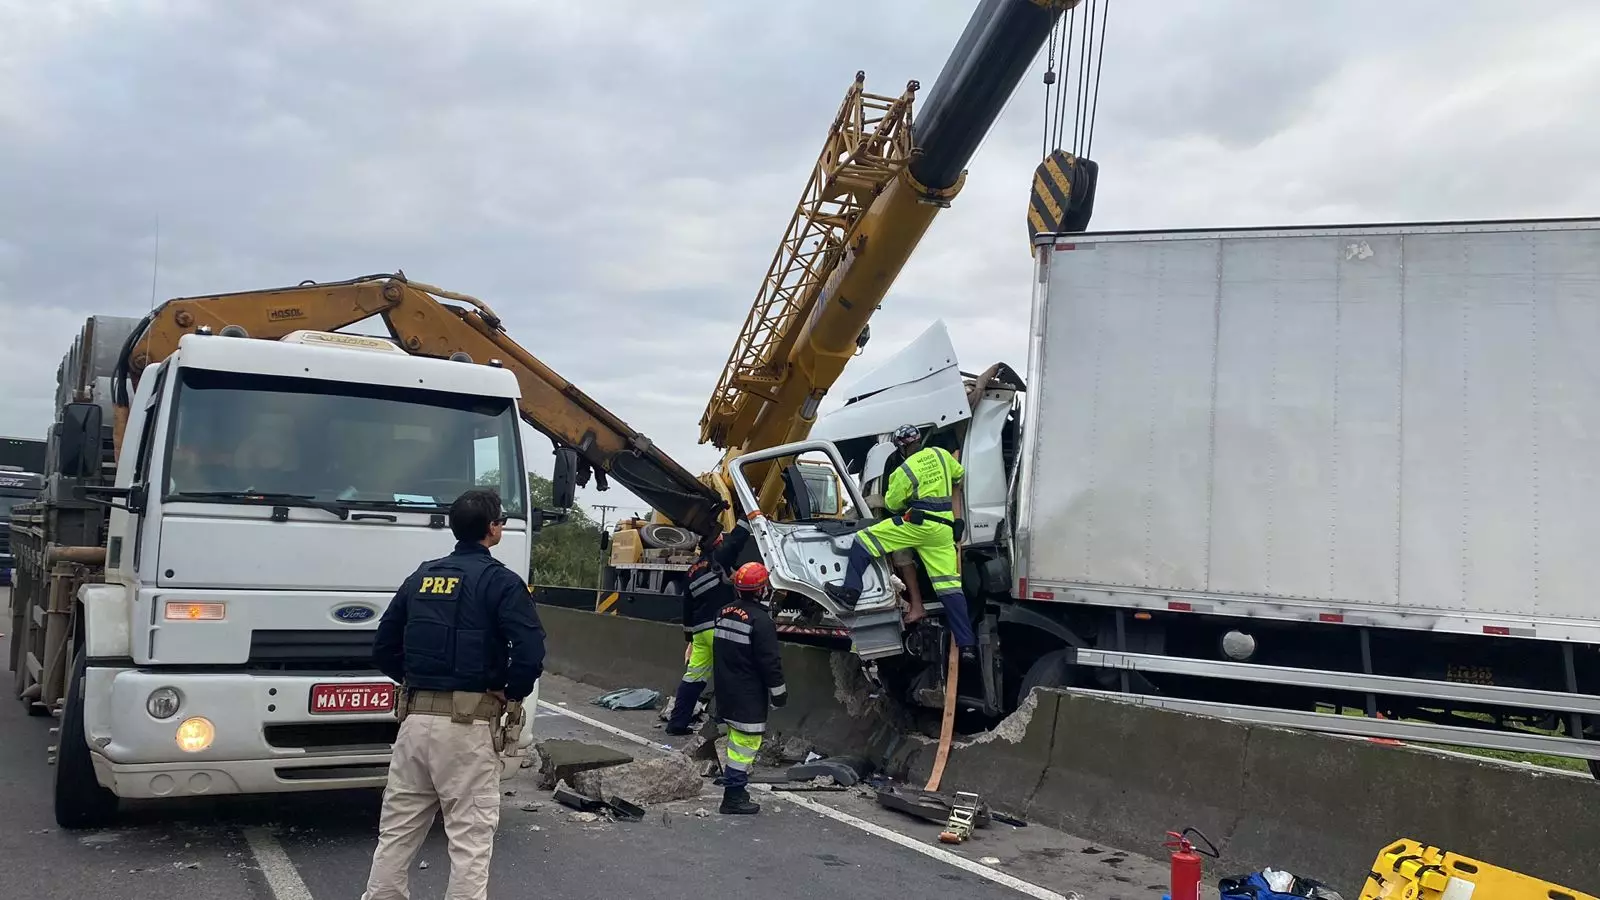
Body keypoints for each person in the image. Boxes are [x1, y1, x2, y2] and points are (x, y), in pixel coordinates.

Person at [362, 489, 546, 900]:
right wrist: (508, 692)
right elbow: (531, 652)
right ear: (493, 529)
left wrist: (414, 681)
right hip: (467, 726)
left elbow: (382, 648)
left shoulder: (421, 577)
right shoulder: (501, 582)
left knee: (397, 833)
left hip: (413, 722)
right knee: (470, 839)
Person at [825, 423, 976, 660]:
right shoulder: (941, 455)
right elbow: (959, 475)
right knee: (949, 587)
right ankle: (967, 645)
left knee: (864, 540)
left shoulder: (904, 470)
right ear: (919, 441)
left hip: (917, 525)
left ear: (901, 448)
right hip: (944, 530)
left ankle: (850, 593)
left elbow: (894, 504)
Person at [711, 561, 787, 815]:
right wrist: (779, 693)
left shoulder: (722, 612)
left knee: (735, 741)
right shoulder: (761, 621)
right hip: (747, 694)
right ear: (761, 590)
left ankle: (737, 787)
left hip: (725, 689)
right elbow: (770, 662)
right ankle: (733, 795)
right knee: (745, 746)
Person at [665, 522, 751, 736]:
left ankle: (677, 724)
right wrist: (746, 519)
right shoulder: (719, 559)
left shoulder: (692, 571)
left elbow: (686, 609)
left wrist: (690, 639)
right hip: (720, 628)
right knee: (728, 678)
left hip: (700, 633)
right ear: (715, 544)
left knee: (693, 677)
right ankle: (722, 727)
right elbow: (736, 541)